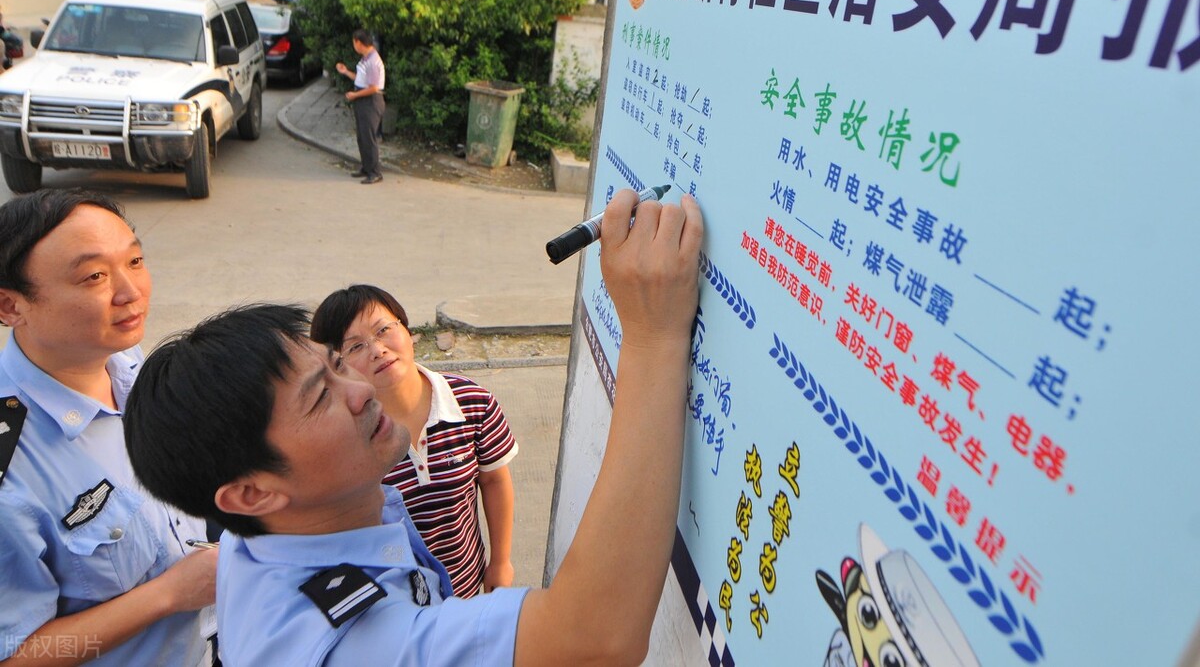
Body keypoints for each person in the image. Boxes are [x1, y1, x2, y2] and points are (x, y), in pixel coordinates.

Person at [124, 190, 702, 665]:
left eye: (335, 367)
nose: (358, 389)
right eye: (321, 397)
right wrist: (653, 338)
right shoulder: (346, 643)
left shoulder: (272, 535)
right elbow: (596, 637)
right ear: (252, 492)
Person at [0, 189, 216, 665]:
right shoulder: (12, 469)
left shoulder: (127, 363)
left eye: (135, 261)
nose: (130, 291)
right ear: (11, 307)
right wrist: (170, 594)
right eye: (94, 276)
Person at [311, 285, 518, 597]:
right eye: (355, 347)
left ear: (406, 329)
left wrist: (500, 562)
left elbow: (494, 482)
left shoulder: (473, 402)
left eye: (384, 330)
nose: (377, 349)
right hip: (395, 604)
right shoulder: (343, 438)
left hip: (466, 589)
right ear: (336, 367)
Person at [335, 30, 386, 185]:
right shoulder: (366, 58)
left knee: (369, 137)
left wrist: (355, 95)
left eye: (353, 43)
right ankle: (366, 167)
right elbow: (361, 79)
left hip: (371, 101)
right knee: (362, 136)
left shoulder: (372, 61)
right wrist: (346, 72)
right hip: (363, 100)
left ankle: (375, 172)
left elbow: (373, 88)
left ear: (358, 42)